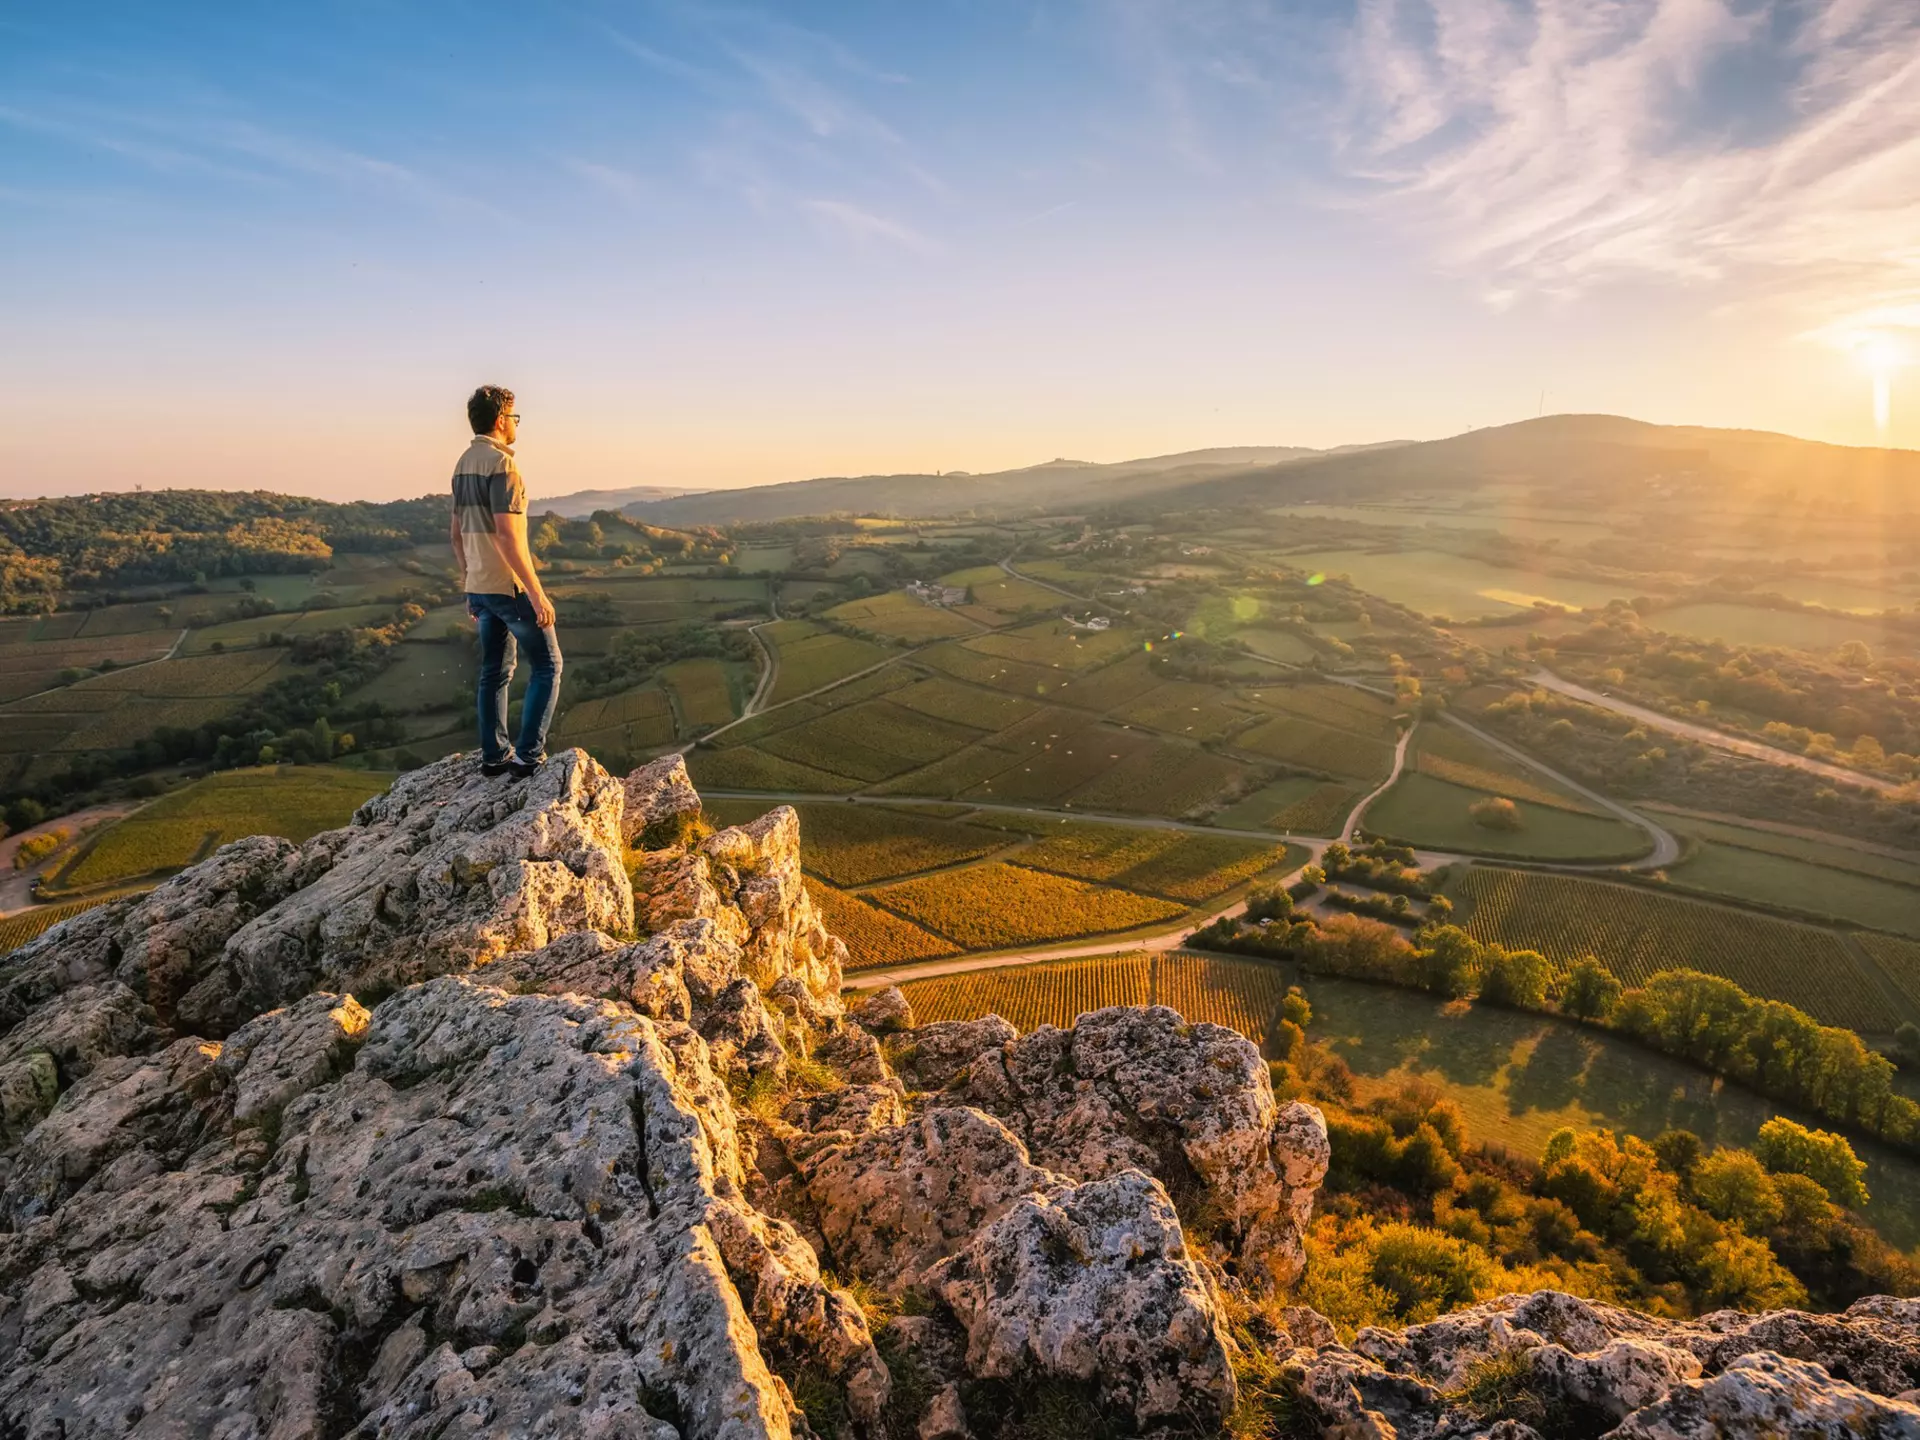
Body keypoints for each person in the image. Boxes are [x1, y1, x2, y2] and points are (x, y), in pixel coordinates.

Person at [450, 384, 561, 778]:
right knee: (548, 666)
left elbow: (456, 533)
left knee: (494, 672)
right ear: (500, 420)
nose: (515, 424)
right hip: (508, 587)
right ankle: (528, 757)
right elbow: (508, 538)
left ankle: (494, 756)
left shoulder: (463, 464)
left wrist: (469, 582)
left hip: (480, 586)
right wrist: (537, 594)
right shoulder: (504, 466)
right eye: (514, 417)